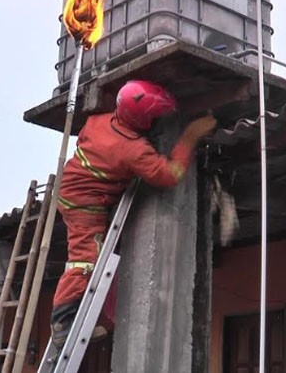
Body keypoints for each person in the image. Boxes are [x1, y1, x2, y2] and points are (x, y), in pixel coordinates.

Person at [50, 79, 217, 348]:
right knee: (85, 261)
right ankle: (61, 324)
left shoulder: (99, 120)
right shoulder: (133, 151)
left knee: (97, 260)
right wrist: (190, 136)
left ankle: (92, 317)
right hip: (84, 204)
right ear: (143, 119)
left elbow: (85, 141)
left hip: (73, 190)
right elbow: (170, 174)